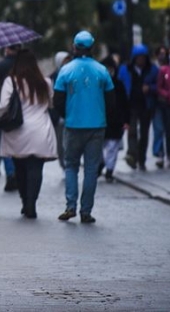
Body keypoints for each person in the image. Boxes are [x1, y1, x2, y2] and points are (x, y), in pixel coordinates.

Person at [54, 31, 115, 224]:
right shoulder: (102, 70)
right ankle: (86, 211)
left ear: (74, 47)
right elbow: (111, 100)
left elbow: (58, 100)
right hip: (96, 126)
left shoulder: (65, 70)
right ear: (92, 48)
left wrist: (69, 115)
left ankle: (70, 206)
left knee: (71, 166)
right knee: (91, 169)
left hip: (73, 126)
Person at [0, 49, 57, 219]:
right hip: (40, 130)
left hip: (18, 132)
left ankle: (25, 201)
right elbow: (51, 104)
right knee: (35, 169)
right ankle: (32, 202)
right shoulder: (45, 82)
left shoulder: (11, 81)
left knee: (20, 168)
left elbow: (3, 105)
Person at [118, 44, 159, 171]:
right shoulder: (126, 69)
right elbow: (119, 84)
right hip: (131, 105)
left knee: (144, 133)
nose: (141, 60)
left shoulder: (153, 70)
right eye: (138, 57)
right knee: (132, 131)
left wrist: (150, 88)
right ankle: (132, 156)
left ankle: (142, 159)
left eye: (143, 57)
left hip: (146, 105)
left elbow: (159, 85)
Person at [0, 45, 20, 190]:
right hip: (23, 110)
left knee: (5, 142)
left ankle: (10, 172)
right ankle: (18, 171)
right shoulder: (23, 66)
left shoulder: (0, 66)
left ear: (7, 50)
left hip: (4, 109)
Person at [100, 56, 130, 182]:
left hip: (116, 122)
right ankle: (101, 165)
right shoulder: (97, 86)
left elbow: (125, 104)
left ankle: (110, 170)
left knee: (113, 147)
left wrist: (126, 120)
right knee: (99, 146)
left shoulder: (119, 85)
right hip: (100, 121)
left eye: (110, 68)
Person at [49, 51, 71, 169]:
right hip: (59, 116)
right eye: (64, 61)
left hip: (72, 114)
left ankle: (70, 162)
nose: (66, 64)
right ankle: (63, 163)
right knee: (60, 141)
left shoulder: (73, 75)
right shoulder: (52, 78)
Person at [152, 46, 168, 168]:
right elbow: (157, 86)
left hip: (166, 103)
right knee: (159, 129)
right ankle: (160, 154)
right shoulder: (154, 68)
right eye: (160, 53)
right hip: (158, 103)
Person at [157, 54, 170, 170]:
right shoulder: (163, 70)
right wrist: (166, 94)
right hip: (166, 105)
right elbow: (159, 87)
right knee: (167, 131)